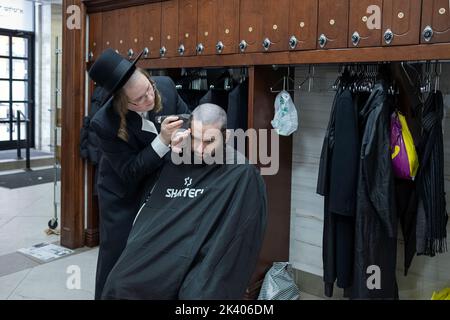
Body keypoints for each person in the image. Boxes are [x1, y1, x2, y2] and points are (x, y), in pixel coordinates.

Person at [101, 104, 268, 300]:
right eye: (196, 139)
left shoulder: (242, 174)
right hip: (165, 248)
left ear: (226, 137)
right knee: (119, 283)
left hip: (207, 255)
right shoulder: (176, 159)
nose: (200, 149)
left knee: (199, 294)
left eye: (209, 141)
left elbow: (238, 237)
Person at [87, 48, 189, 299]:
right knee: (118, 257)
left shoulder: (164, 86)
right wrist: (163, 141)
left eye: (149, 89)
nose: (149, 99)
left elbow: (189, 119)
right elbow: (130, 171)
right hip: (121, 192)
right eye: (139, 100)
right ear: (123, 103)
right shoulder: (104, 123)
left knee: (156, 251)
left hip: (159, 183)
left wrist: (188, 136)